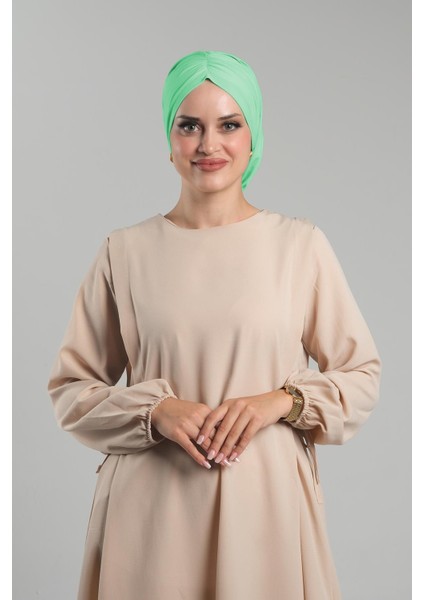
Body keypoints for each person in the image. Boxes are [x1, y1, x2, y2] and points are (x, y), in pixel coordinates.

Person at [47, 50, 382, 600]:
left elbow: (361, 376)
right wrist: (156, 410)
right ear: (169, 137)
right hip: (150, 519)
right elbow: (71, 391)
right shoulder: (123, 253)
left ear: (253, 136)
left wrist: (279, 402)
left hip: (266, 511)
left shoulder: (299, 247)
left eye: (229, 125)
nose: (209, 144)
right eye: (189, 126)